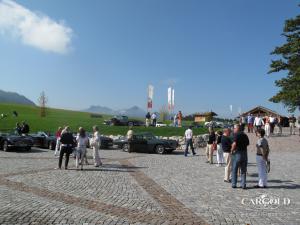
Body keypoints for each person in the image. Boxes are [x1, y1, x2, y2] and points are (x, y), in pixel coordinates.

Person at [231, 124, 249, 189]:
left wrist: (232, 150)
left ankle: (234, 184)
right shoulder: (245, 135)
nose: (233, 130)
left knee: (234, 169)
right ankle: (243, 184)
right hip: (244, 153)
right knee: (243, 170)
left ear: (236, 129)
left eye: (234, 128)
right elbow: (247, 144)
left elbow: (234, 144)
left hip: (237, 153)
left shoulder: (236, 135)